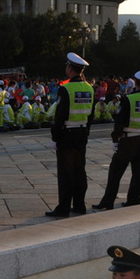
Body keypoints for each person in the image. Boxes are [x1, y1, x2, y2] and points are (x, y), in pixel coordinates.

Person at [92, 70, 140, 210]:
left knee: (115, 171)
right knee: (139, 172)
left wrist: (115, 140)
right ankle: (134, 199)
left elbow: (120, 122)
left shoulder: (129, 99)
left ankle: (107, 201)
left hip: (129, 140)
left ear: (136, 83)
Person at [46, 53, 93, 218]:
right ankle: (79, 205)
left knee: (66, 172)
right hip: (82, 133)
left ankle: (63, 207)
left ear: (70, 68)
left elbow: (60, 115)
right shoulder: (89, 88)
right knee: (80, 170)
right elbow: (91, 115)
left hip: (67, 133)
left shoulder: (65, 88)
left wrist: (55, 136)